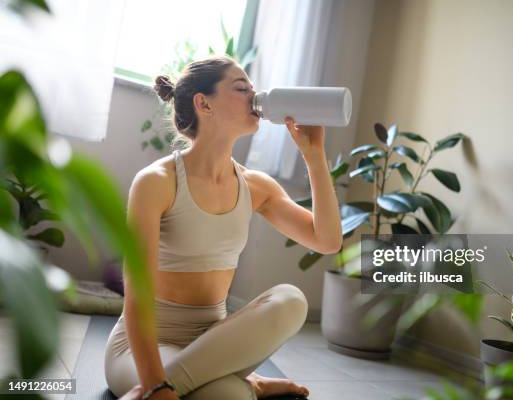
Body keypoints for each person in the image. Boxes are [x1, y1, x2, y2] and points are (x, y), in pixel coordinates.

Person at [103, 55, 343, 400]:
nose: (254, 97)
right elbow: (137, 294)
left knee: (291, 300)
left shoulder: (256, 186)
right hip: (145, 346)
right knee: (230, 396)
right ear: (204, 103)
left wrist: (314, 155)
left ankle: (167, 391)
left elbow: (328, 241)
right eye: (242, 88)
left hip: (214, 339)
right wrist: (155, 383)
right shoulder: (155, 182)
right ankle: (183, 386)